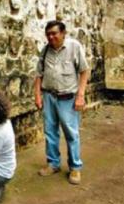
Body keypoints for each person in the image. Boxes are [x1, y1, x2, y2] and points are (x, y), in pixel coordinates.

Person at [34, 20, 90, 185]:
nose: (51, 37)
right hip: (49, 97)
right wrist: (37, 95)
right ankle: (53, 164)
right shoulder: (45, 51)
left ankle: (75, 167)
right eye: (48, 34)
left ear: (63, 33)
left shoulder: (74, 47)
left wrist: (80, 95)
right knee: (50, 133)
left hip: (68, 98)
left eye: (54, 33)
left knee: (71, 134)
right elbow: (38, 75)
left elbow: (84, 71)